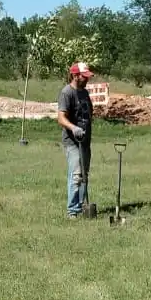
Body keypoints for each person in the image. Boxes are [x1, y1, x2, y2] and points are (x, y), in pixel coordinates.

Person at [57, 62, 95, 218]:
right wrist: (74, 128)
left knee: (84, 175)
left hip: (85, 141)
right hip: (73, 142)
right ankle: (72, 211)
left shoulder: (84, 93)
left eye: (87, 76)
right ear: (74, 76)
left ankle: (81, 207)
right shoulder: (67, 93)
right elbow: (60, 118)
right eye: (83, 76)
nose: (87, 79)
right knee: (76, 175)